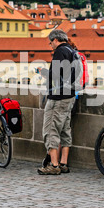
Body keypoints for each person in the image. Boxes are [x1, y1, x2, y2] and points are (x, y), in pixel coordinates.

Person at [37, 30, 77, 175]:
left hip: (58, 98)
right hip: (70, 96)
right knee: (65, 130)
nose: (50, 46)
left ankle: (54, 166)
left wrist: (42, 72)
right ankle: (63, 163)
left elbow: (54, 76)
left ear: (55, 40)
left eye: (50, 42)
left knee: (50, 130)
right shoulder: (72, 51)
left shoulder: (60, 52)